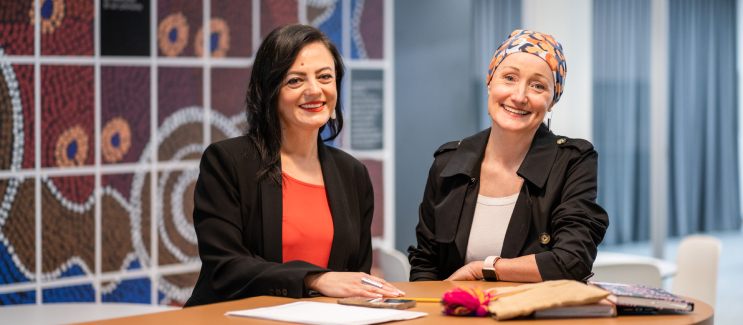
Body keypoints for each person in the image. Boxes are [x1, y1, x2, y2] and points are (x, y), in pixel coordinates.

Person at [185, 24, 402, 307]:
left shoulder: (353, 174)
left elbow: (354, 278)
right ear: (269, 91)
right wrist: (314, 278)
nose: (314, 90)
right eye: (295, 81)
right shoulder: (227, 161)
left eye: (325, 77)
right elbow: (226, 268)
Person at [407, 30, 609, 283]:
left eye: (537, 86)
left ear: (552, 100)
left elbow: (573, 260)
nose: (519, 96)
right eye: (509, 78)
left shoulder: (573, 161)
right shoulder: (449, 162)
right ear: (490, 82)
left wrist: (482, 268)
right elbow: (425, 263)